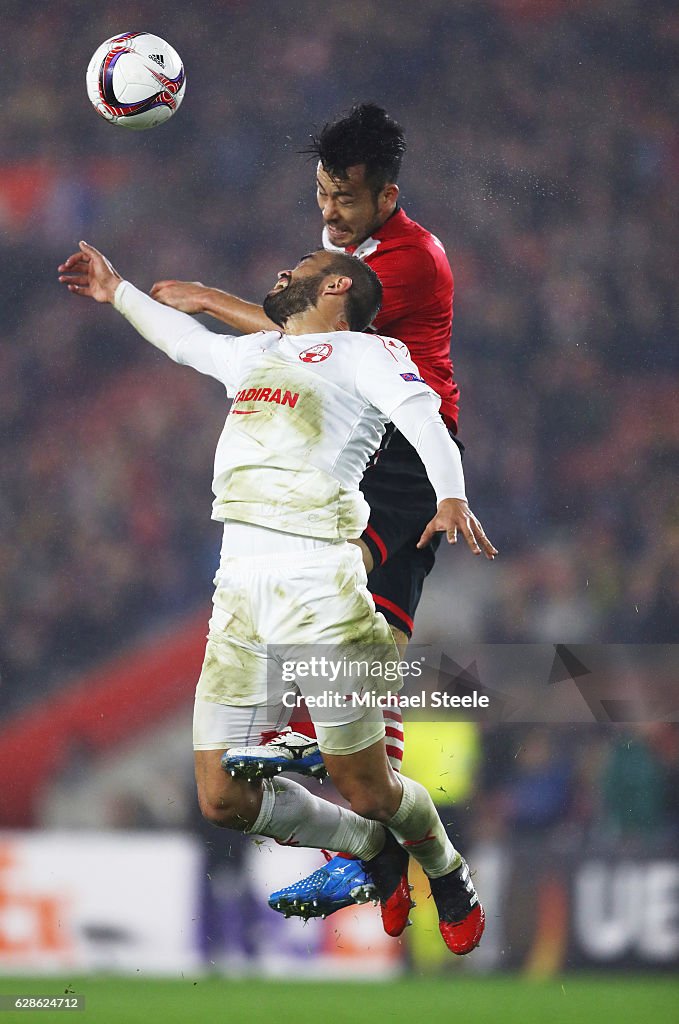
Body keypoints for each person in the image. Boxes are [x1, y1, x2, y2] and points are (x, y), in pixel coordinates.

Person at [58, 240, 495, 955]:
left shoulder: (364, 355)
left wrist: (450, 493)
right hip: (238, 590)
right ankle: (372, 852)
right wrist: (118, 293)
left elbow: (418, 414)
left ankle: (444, 868)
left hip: (319, 585)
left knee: (370, 787)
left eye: (300, 271)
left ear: (336, 290)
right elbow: (185, 343)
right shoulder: (256, 357)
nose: (283, 272)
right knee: (221, 799)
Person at [148, 104, 465, 913]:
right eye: (322, 193)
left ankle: (382, 845)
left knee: (365, 639)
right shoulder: (342, 247)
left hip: (396, 460)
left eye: (345, 200)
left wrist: (211, 301)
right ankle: (373, 845)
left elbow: (310, 339)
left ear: (386, 195)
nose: (328, 212)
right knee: (324, 623)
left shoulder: (408, 262)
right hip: (338, 440)